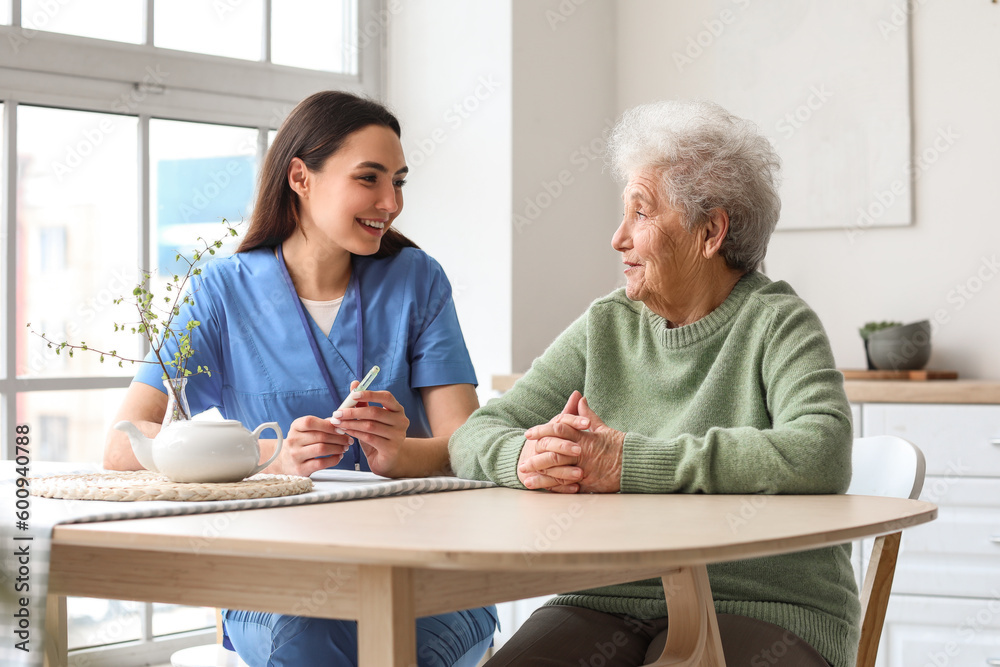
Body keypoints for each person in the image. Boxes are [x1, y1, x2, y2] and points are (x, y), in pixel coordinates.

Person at [449, 100, 857, 667]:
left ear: (711, 231)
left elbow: (822, 451)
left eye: (641, 214)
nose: (618, 239)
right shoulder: (607, 324)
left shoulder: (776, 322)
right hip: (608, 595)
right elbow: (475, 433)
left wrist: (629, 464)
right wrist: (523, 457)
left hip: (761, 602)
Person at [104, 91, 497, 667]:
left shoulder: (418, 281)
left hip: (423, 563)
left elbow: (470, 445)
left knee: (410, 647)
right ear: (299, 177)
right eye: (369, 178)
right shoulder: (221, 292)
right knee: (313, 640)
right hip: (276, 574)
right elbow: (121, 443)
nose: (391, 202)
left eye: (400, 182)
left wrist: (399, 454)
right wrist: (270, 460)